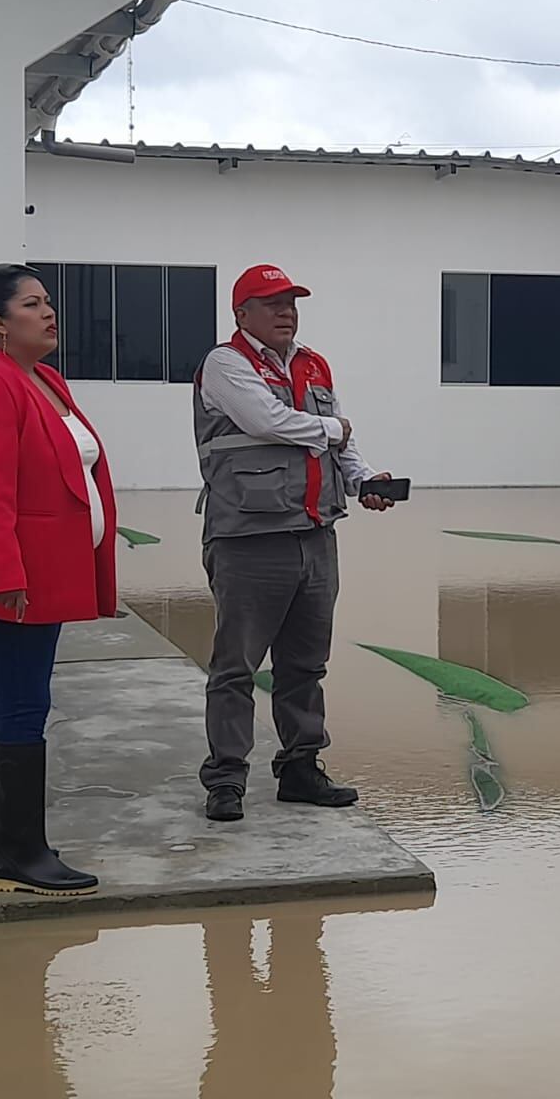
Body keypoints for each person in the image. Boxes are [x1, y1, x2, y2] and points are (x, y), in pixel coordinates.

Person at [194, 263, 395, 821]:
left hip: (314, 534)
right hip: (249, 537)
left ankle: (301, 768)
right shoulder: (226, 363)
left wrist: (363, 480)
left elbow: (338, 442)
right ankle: (226, 778)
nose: (286, 312)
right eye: (272, 303)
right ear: (242, 314)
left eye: (291, 303)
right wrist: (336, 429)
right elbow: (267, 421)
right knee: (236, 666)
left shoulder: (313, 364)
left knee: (305, 663)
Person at [0, 263, 116, 896]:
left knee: (10, 696)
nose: (48, 313)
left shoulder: (44, 379)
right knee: (26, 703)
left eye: (48, 302)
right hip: (18, 575)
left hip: (49, 568)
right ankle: (19, 857)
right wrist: (6, 571)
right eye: (32, 305)